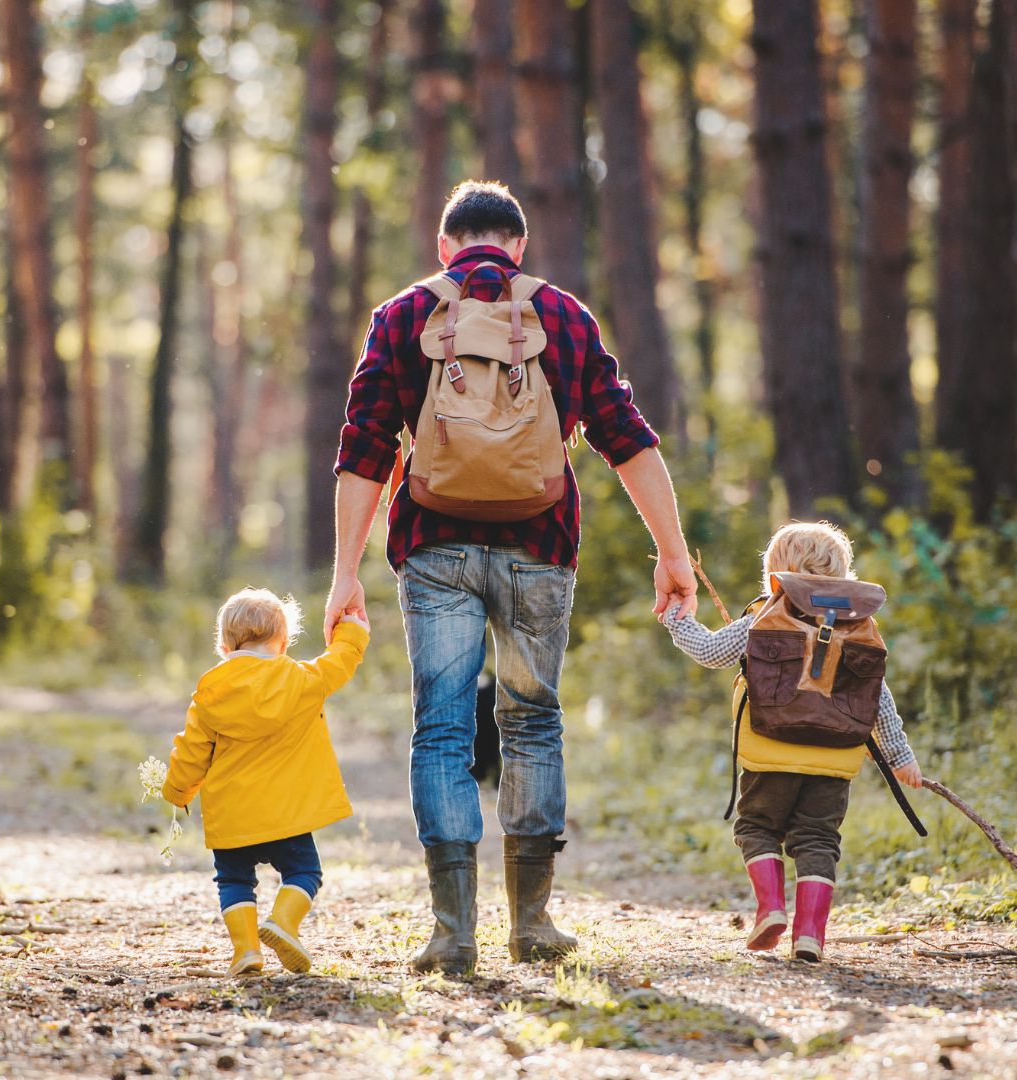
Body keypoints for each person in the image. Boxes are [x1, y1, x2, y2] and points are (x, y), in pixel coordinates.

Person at [327, 180, 697, 973]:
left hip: (433, 548)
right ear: (518, 247)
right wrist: (673, 554)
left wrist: (342, 575)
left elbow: (365, 448)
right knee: (531, 722)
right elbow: (625, 436)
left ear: (444, 247)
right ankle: (532, 924)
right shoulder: (562, 315)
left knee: (443, 729)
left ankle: (451, 932)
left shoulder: (402, 316)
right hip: (540, 547)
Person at [663, 521, 922, 961]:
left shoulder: (765, 616)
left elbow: (709, 653)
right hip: (834, 760)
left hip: (770, 752)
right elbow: (877, 697)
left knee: (757, 827)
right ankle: (810, 936)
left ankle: (770, 908)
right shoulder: (859, 626)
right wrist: (901, 757)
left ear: (774, 577)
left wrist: (676, 620)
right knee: (819, 840)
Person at [161, 587, 369, 977]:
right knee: (304, 873)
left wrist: (177, 790)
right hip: (286, 814)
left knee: (235, 880)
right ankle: (284, 924)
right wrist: (352, 630)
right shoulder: (301, 680)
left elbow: (191, 751)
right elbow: (338, 662)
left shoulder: (210, 692)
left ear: (223, 644)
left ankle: (246, 952)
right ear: (284, 642)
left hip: (233, 815)